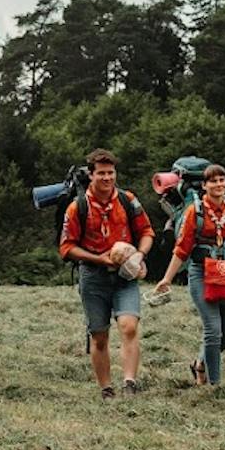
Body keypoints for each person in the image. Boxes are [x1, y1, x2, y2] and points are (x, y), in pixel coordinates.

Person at [58, 148, 155, 398]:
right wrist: (97, 258)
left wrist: (139, 256)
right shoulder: (77, 207)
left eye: (110, 173)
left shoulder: (127, 200)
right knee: (99, 336)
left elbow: (147, 231)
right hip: (93, 276)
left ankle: (130, 383)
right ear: (91, 175)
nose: (107, 178)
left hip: (125, 275)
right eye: (101, 173)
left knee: (129, 326)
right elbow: (66, 247)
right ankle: (106, 389)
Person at [153, 164, 225, 387]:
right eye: (213, 181)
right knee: (213, 330)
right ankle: (214, 385)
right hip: (200, 273)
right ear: (205, 185)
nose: (219, 185)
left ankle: (200, 363)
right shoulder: (195, 212)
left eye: (222, 180)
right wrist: (167, 279)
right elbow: (182, 249)